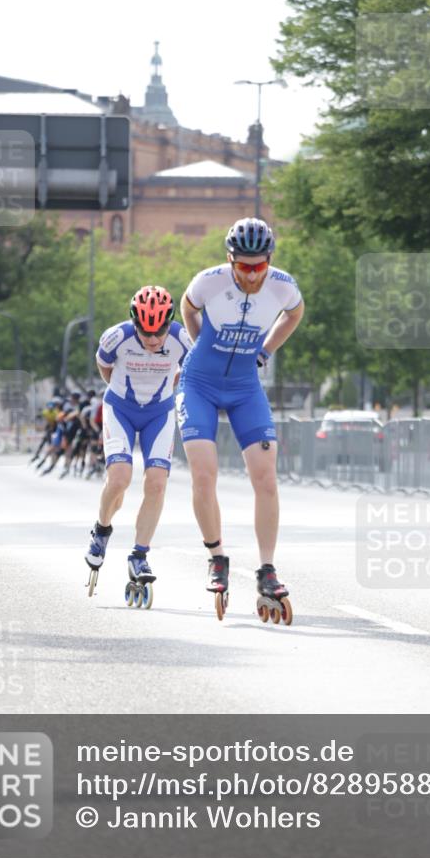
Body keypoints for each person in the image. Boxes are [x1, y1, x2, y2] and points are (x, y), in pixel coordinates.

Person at [178, 217, 304, 611]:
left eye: (259, 267)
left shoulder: (283, 285)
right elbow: (188, 307)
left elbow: (295, 315)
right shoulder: (209, 281)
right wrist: (201, 347)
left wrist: (265, 351)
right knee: (204, 473)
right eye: (243, 267)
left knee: (266, 478)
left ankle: (266, 569)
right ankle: (217, 559)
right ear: (230, 259)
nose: (251, 276)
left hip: (245, 387)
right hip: (199, 383)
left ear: (269, 260)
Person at [85, 285, 192, 585]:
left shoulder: (182, 339)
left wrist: (167, 390)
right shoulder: (115, 338)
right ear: (135, 323)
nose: (153, 339)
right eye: (146, 333)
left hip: (159, 412)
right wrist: (124, 391)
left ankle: (139, 555)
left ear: (169, 323)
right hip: (121, 408)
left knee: (157, 484)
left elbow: (187, 370)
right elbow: (105, 368)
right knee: (119, 478)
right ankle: (102, 529)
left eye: (159, 332)